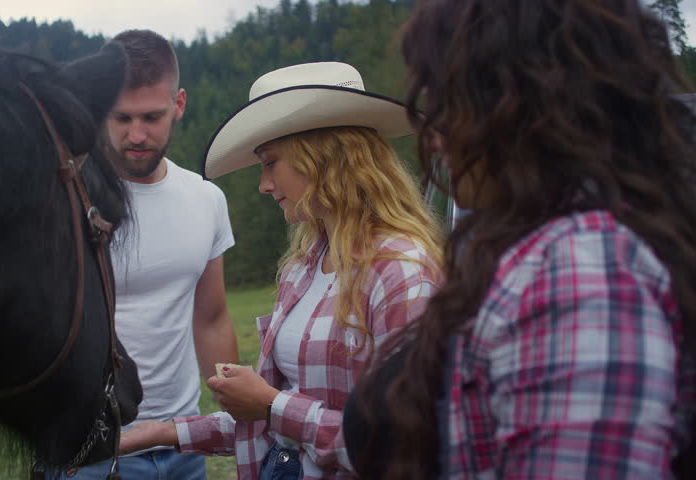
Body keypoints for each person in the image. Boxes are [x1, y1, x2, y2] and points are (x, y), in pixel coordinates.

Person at [343, 0, 696, 479]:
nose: (434, 138)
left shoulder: (576, 266)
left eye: (449, 101)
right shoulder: (553, 245)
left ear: (519, 106)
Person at [117, 61, 444, 480]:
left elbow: (406, 444)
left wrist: (272, 405)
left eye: (271, 163)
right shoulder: (302, 270)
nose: (263, 184)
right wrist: (161, 433)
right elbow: (273, 421)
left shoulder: (401, 272)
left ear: (325, 159)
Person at [52, 29, 240, 480]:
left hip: (182, 443)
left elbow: (211, 317)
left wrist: (236, 410)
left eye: (152, 117)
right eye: (122, 118)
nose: (136, 135)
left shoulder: (206, 198)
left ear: (178, 104)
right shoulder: (62, 198)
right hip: (90, 452)